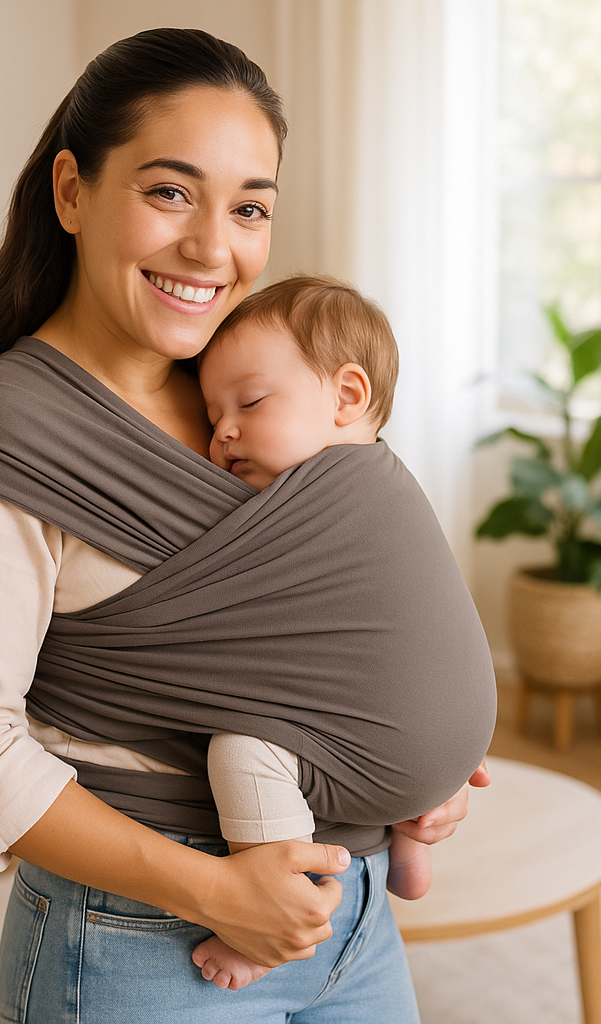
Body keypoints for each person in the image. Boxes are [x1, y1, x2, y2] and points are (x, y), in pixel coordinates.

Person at [0, 28, 491, 1024]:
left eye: (248, 206)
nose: (214, 248)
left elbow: (354, 613)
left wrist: (417, 766)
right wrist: (221, 893)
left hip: (346, 914)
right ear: (73, 191)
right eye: (169, 191)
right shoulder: (11, 434)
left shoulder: (255, 392)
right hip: (142, 942)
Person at [190, 275, 437, 990]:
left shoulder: (307, 504)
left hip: (380, 729)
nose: (223, 431)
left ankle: (270, 916)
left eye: (252, 402)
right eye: (211, 416)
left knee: (241, 750)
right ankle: (411, 842)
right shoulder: (392, 486)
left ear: (348, 397)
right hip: (419, 735)